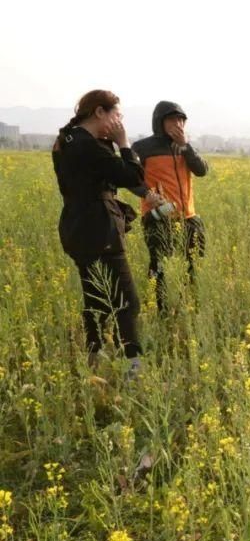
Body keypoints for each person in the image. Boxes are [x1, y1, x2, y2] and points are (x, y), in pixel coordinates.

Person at [51, 90, 146, 375]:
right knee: (128, 303)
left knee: (96, 301)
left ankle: (93, 367)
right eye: (117, 115)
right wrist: (124, 143)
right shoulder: (88, 146)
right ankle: (135, 371)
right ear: (99, 113)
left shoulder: (67, 140)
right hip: (100, 232)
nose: (120, 121)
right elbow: (133, 176)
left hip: (77, 230)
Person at [131, 101, 209, 311]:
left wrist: (185, 146)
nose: (178, 124)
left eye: (181, 119)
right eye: (172, 119)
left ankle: (190, 306)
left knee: (194, 265)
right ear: (159, 122)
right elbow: (130, 177)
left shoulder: (184, 147)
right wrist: (147, 195)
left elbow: (201, 170)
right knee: (160, 267)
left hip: (189, 217)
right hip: (158, 218)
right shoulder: (143, 148)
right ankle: (161, 311)